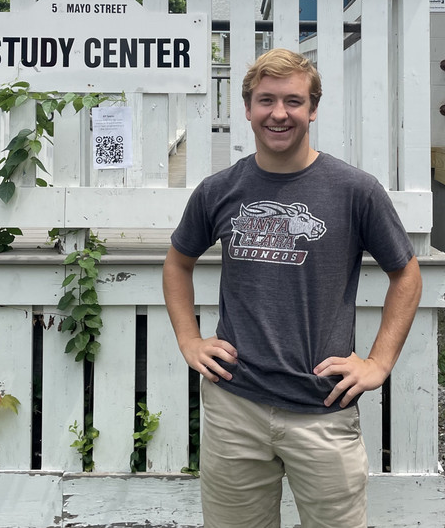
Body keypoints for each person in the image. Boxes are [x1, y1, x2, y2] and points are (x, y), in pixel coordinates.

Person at [163, 48, 422, 528]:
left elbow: (406, 274)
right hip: (234, 404)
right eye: (266, 100)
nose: (278, 113)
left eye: (293, 101)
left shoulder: (354, 190)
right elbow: (178, 263)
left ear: (313, 109)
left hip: (324, 408)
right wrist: (189, 339)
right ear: (247, 108)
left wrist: (378, 362)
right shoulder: (219, 190)